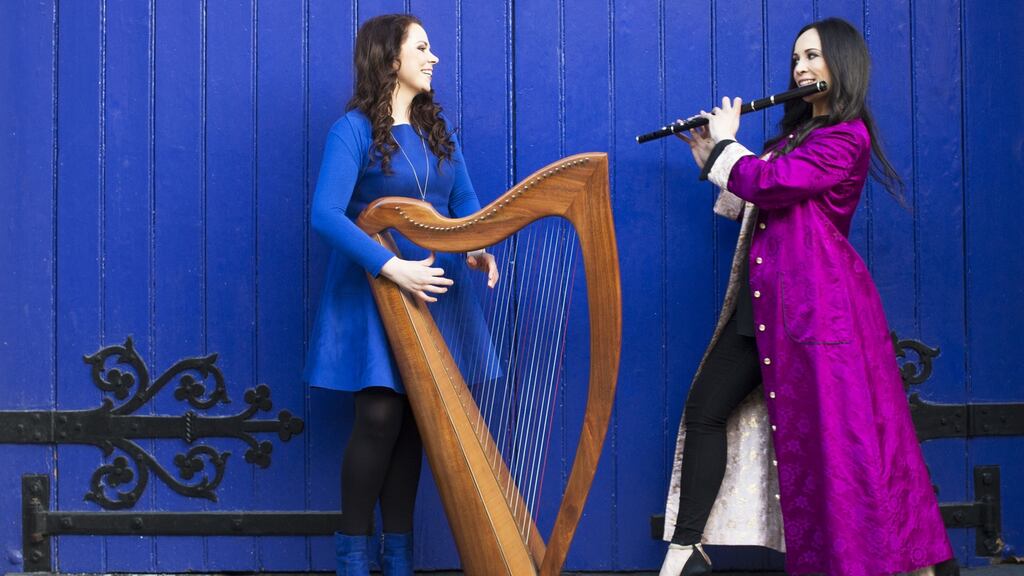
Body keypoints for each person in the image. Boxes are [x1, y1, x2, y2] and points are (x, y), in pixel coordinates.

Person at [660, 18, 955, 576]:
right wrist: (712, 158)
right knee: (704, 411)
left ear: (842, 65)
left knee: (841, 442)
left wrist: (727, 146)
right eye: (797, 58)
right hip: (765, 306)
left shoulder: (847, 137)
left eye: (814, 56)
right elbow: (757, 195)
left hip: (816, 311)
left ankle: (898, 560)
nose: (800, 68)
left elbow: (773, 184)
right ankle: (687, 549)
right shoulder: (790, 138)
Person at [303, 14, 498, 576]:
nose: (433, 58)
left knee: (416, 420)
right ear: (391, 59)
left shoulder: (439, 129)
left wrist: (475, 247)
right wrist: (391, 267)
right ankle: (353, 559)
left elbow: (464, 200)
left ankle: (399, 559)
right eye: (423, 48)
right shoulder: (354, 129)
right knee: (379, 418)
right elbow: (325, 214)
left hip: (433, 292)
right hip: (375, 291)